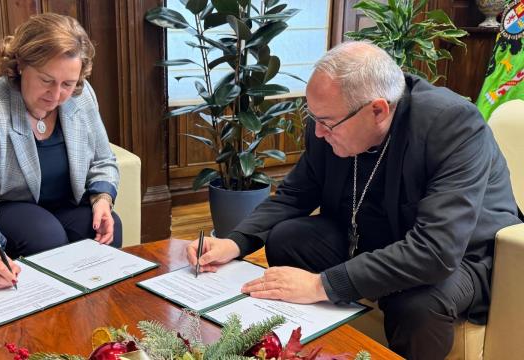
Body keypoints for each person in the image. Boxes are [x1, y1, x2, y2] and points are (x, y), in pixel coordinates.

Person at [187, 41, 521, 359]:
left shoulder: (452, 125)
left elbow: (436, 250)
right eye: (313, 118)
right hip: (374, 235)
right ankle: (319, 348)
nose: (317, 132)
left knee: (416, 304)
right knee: (288, 238)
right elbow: (295, 195)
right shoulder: (331, 117)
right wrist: (234, 242)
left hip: (460, 258)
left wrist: (322, 285)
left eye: (326, 123)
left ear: (378, 110)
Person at [0, 13, 122, 289]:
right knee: (45, 236)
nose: (56, 95)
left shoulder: (81, 95)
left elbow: (103, 160)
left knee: (106, 226)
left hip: (62, 203)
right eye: (46, 80)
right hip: (4, 205)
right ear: (20, 65)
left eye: (68, 83)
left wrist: (102, 200)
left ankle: (92, 318)